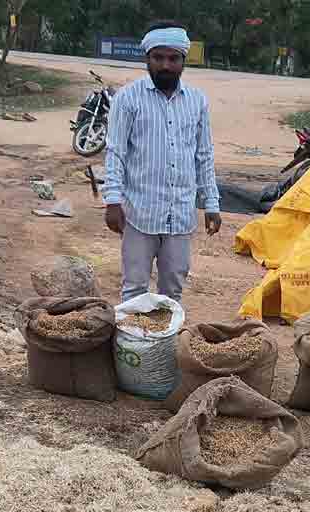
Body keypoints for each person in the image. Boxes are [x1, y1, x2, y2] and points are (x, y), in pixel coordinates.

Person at [103, 21, 221, 302]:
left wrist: (212, 203)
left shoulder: (197, 101)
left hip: (180, 215)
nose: (165, 66)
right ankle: (131, 347)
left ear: (183, 61)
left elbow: (203, 155)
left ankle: (166, 347)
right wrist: (112, 201)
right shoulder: (128, 99)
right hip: (139, 214)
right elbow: (115, 152)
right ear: (147, 59)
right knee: (134, 291)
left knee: (172, 293)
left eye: (173, 58)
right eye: (158, 58)